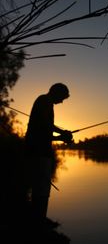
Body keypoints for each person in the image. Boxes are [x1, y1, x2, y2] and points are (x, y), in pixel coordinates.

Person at [25, 83, 73, 223]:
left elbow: (45, 128)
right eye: (62, 97)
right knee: (41, 187)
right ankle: (38, 220)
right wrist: (61, 135)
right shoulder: (44, 101)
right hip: (38, 151)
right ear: (56, 93)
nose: (62, 101)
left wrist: (61, 135)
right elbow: (43, 128)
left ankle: (39, 218)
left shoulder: (46, 103)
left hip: (40, 149)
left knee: (41, 186)